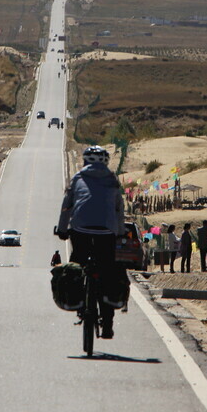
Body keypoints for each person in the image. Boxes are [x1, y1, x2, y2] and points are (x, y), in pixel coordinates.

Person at [56, 145, 126, 340]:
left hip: (80, 230)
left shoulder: (77, 178)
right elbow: (119, 210)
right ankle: (108, 322)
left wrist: (62, 229)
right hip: (107, 232)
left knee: (76, 265)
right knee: (107, 272)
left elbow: (66, 207)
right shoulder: (112, 180)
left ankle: (77, 300)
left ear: (85, 161)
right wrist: (119, 232)